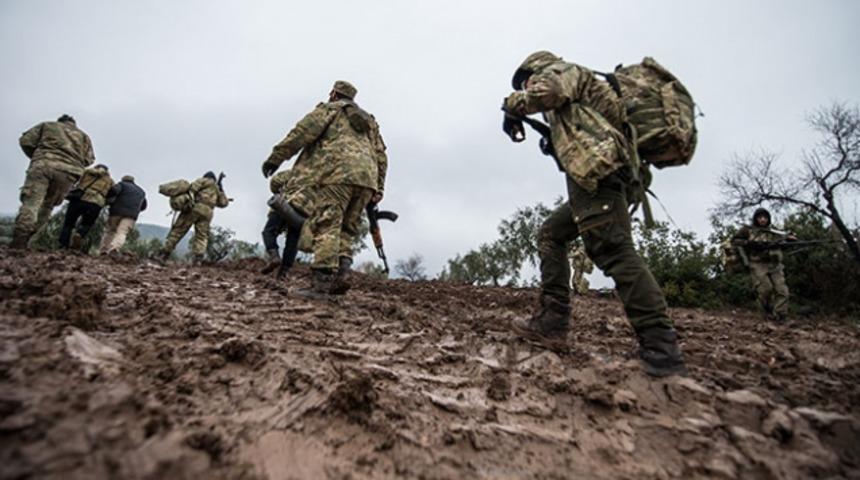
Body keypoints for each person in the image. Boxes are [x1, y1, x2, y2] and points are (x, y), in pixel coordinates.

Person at [502, 51, 686, 377]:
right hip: (598, 177)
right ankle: (552, 321)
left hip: (599, 175)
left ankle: (661, 348)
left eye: (526, 82)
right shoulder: (574, 96)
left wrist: (512, 105)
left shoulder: (559, 71)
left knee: (613, 251)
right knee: (551, 234)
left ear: (535, 69)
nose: (527, 87)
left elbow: (548, 91)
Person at [262, 80, 388, 295]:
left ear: (334, 94)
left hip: (336, 175)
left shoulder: (330, 110)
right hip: (367, 180)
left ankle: (320, 285)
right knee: (347, 228)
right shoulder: (370, 123)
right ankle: (342, 275)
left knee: (327, 225)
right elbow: (381, 156)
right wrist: (379, 187)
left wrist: (275, 158)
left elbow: (301, 133)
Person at [12, 114, 95, 248]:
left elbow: (26, 141)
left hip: (43, 166)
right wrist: (73, 163)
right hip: (68, 174)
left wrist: (37, 156)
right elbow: (89, 159)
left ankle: (20, 237)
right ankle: (29, 239)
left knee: (32, 202)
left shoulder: (47, 125)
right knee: (47, 206)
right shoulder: (84, 137)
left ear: (60, 121)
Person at [732, 208, 795, 323]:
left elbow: (784, 242)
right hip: (757, 263)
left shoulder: (774, 231)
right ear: (756, 219)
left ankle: (780, 315)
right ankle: (765, 312)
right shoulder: (748, 230)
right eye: (760, 217)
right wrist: (750, 243)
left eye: (765, 217)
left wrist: (789, 241)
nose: (762, 220)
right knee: (765, 289)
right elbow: (735, 240)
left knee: (782, 290)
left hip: (774, 264)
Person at [158, 172, 229, 263]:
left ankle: (163, 254)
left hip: (195, 207)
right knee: (202, 236)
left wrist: (188, 200)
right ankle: (198, 259)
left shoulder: (204, 180)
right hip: (208, 213)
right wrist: (220, 188)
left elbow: (193, 188)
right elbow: (224, 203)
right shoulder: (217, 189)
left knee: (178, 231)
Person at [59, 164, 113, 251]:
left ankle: (63, 245)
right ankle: (80, 234)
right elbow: (112, 193)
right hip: (96, 203)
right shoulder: (110, 180)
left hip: (79, 199)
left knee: (68, 224)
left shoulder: (86, 172)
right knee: (87, 224)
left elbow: (74, 180)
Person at [99, 175, 147, 254]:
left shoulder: (121, 184)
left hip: (116, 212)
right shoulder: (141, 191)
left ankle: (104, 250)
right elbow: (144, 206)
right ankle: (115, 248)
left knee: (110, 231)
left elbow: (113, 191)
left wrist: (108, 200)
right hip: (131, 216)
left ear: (123, 180)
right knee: (122, 232)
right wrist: (135, 209)